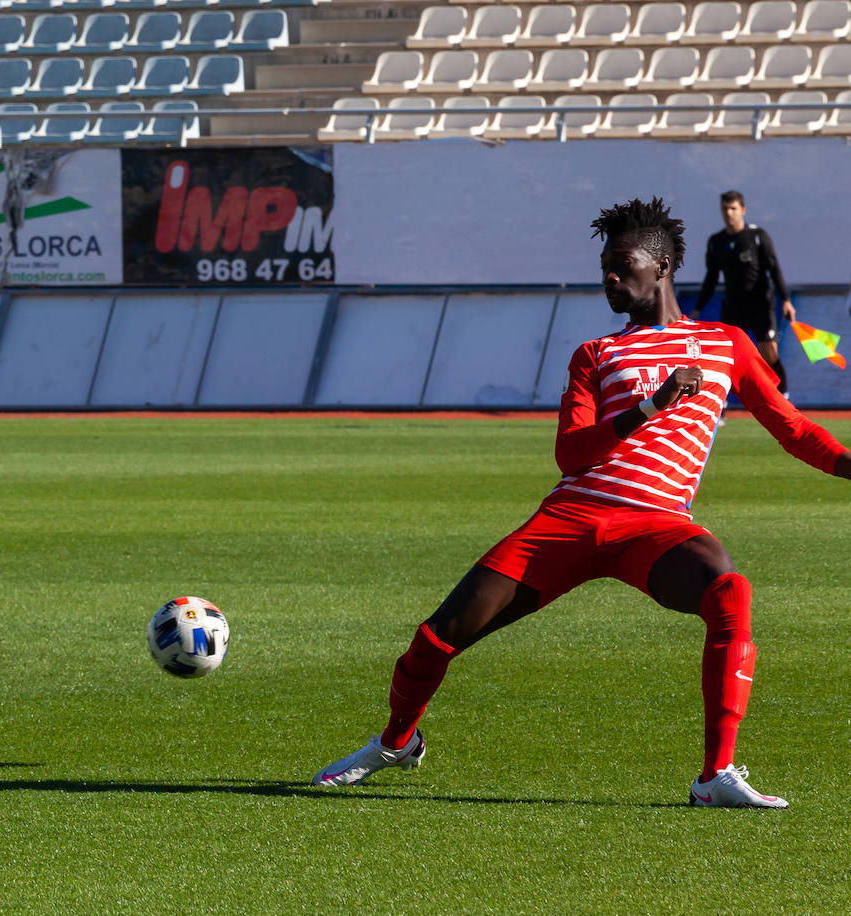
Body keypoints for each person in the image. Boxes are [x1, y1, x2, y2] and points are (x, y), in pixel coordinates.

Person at [313, 198, 851, 807]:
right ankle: (395, 742)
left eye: (622, 265)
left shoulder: (726, 343)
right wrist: (649, 408)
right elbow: (571, 455)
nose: (610, 278)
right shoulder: (596, 355)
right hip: (567, 522)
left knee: (729, 591)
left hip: (656, 527)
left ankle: (716, 778)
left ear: (664, 264)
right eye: (605, 268)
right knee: (436, 639)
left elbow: (794, 428)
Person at [690, 189, 797, 393]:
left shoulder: (757, 236)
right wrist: (697, 308)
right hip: (733, 305)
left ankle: (783, 395)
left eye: (733, 208)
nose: (729, 212)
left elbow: (774, 268)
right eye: (725, 208)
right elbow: (711, 278)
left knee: (769, 351)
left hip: (761, 303)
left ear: (743, 210)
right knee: (729, 355)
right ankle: (722, 405)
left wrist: (785, 299)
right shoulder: (716, 241)